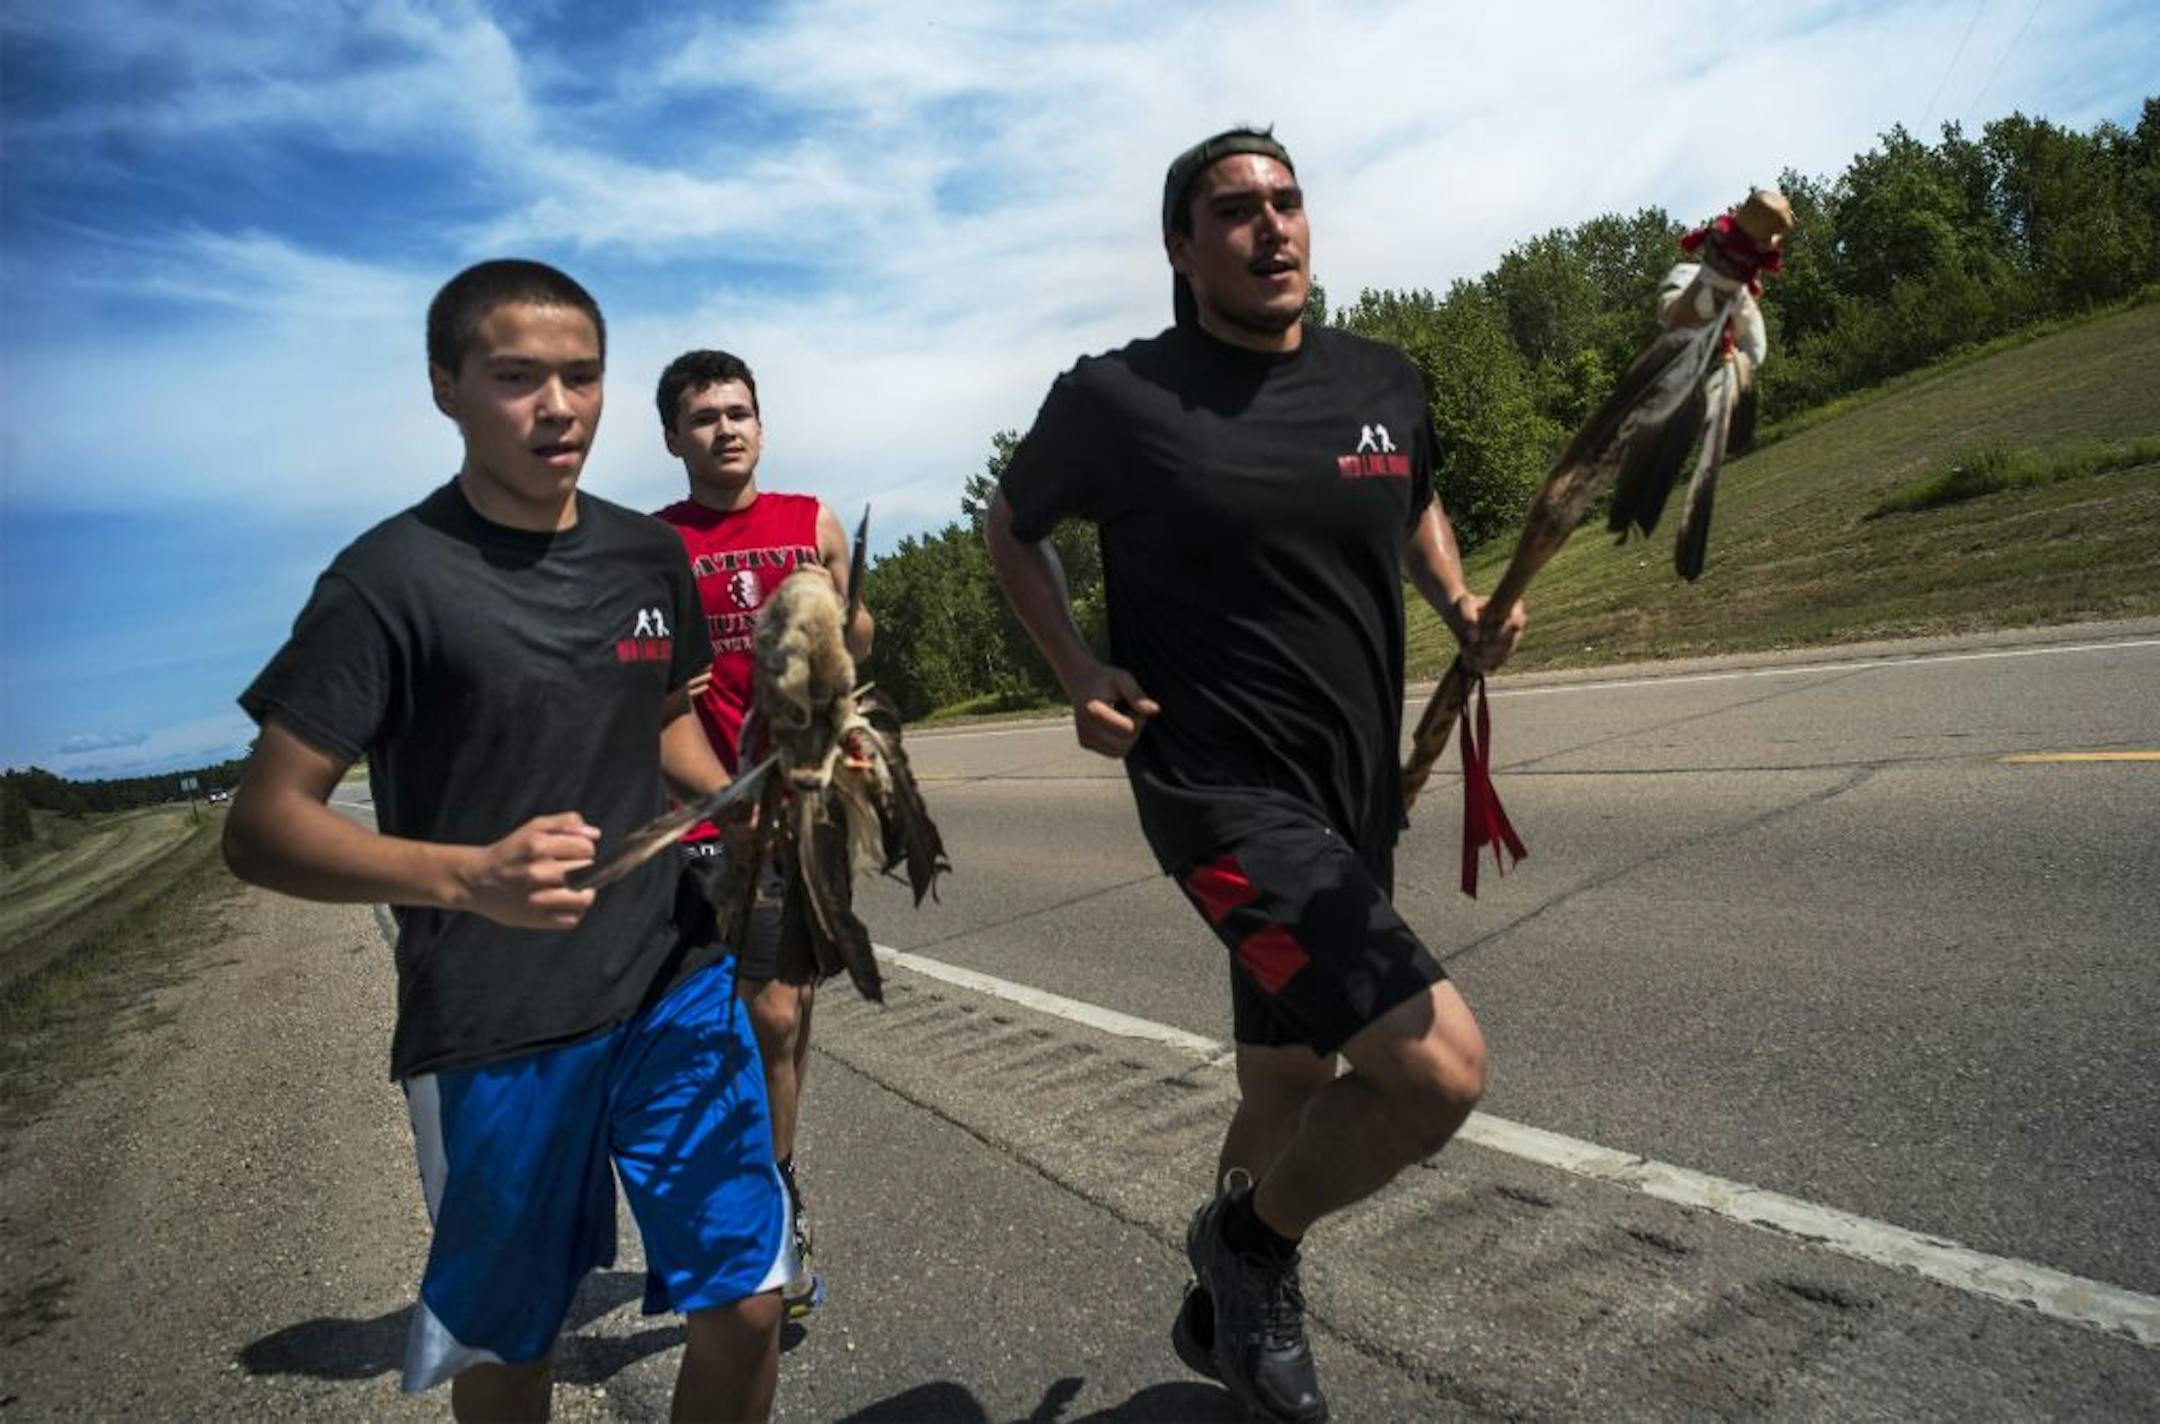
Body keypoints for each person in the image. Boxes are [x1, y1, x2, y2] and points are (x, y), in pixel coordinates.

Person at [984, 130, 1526, 1423]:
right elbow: (1015, 529)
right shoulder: (1119, 399)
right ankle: (1252, 1253)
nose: (1272, 228)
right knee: (1436, 1070)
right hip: (1217, 792)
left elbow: (1411, 499)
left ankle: (1218, 1304)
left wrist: (1453, 598)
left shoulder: (1381, 378)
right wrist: (1075, 666)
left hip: (1355, 793)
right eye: (1235, 212)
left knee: (1285, 1086)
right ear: (1181, 248)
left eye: (1288, 202)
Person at [223, 261, 785, 1421]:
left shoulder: (646, 555)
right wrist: (468, 877)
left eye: (581, 377)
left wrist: (751, 798)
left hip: (673, 974)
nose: (558, 406)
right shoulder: (387, 581)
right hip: (494, 1018)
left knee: (746, 1301)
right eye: (517, 377)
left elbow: (669, 723)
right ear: (446, 388)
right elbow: (262, 825)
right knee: (511, 1343)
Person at [651, 348, 875, 1321]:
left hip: (804, 800)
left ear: (761, 422)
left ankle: (777, 1190)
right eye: (703, 417)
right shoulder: (650, 543)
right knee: (731, 1020)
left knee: (785, 1012)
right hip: (705, 807)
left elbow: (856, 633)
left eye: (739, 411)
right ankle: (741, 1217)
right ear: (673, 437)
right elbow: (634, 682)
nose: (726, 428)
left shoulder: (807, 519)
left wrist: (838, 644)